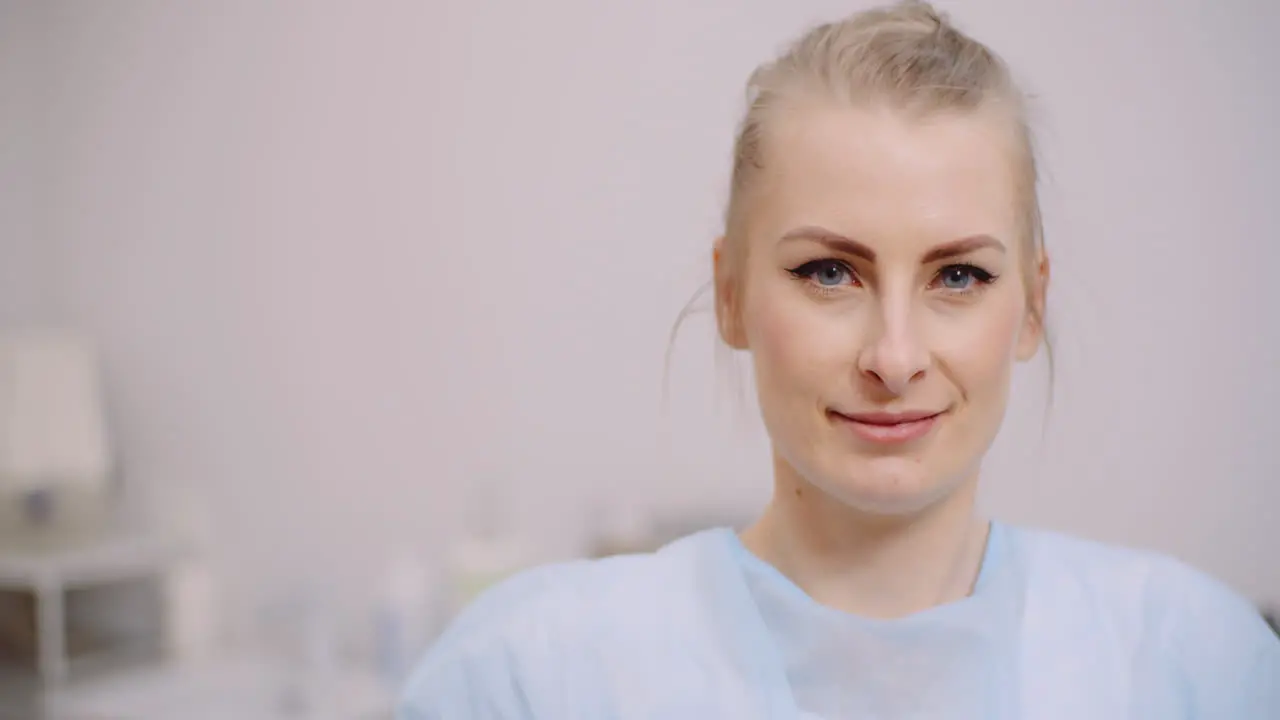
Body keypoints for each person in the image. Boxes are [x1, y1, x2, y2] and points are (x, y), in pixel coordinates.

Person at [398, 2, 1280, 717]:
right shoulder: (528, 679)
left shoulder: (1197, 666)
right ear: (732, 294)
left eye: (959, 275)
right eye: (829, 272)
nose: (893, 357)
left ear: (1033, 304)